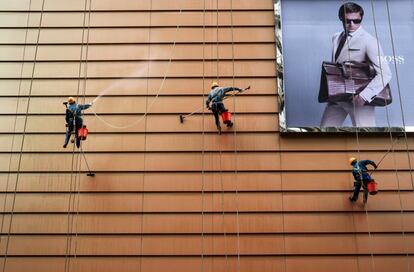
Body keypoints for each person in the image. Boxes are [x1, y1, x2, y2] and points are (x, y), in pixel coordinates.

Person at [320, 2, 392, 127]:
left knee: (366, 139)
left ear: (361, 19)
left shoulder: (369, 41)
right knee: (324, 134)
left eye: (356, 21)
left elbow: (385, 73)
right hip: (337, 96)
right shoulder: (336, 37)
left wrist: (364, 96)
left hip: (359, 98)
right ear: (341, 19)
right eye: (348, 21)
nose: (352, 25)